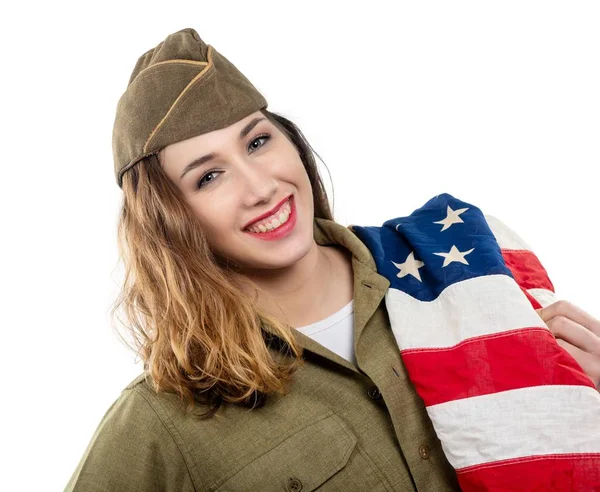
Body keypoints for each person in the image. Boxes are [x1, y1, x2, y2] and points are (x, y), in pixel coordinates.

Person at [65, 27, 600, 491]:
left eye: (256, 142)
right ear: (170, 220)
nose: (260, 187)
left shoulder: (457, 279)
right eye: (209, 176)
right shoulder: (162, 420)